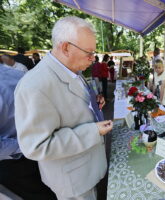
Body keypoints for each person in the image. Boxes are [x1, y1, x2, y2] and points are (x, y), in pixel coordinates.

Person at [14, 16, 113, 200]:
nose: (93, 59)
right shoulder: (34, 85)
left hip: (88, 167)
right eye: (88, 53)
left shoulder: (73, 69)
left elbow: (75, 100)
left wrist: (94, 100)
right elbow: (37, 146)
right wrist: (93, 132)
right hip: (74, 180)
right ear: (66, 47)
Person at [0, 64, 56, 200]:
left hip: (18, 159)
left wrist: (28, 144)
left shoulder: (17, 73)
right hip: (42, 142)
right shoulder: (17, 73)